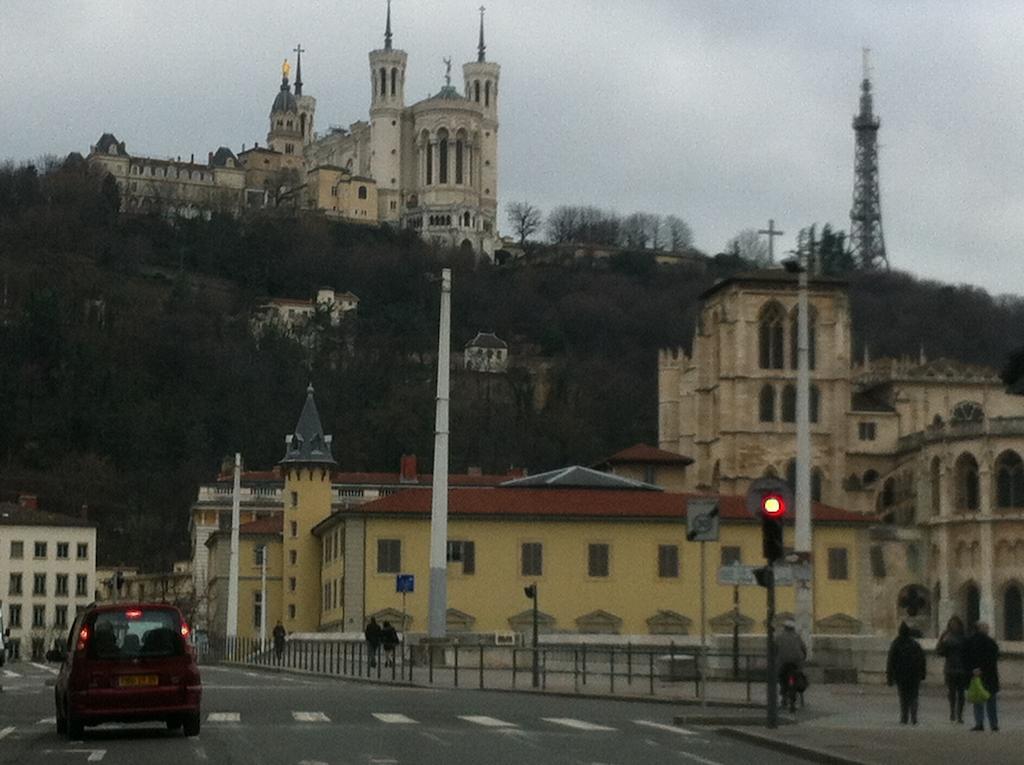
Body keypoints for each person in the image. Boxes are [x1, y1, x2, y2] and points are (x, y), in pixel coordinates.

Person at [886, 622, 927, 725]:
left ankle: (904, 717)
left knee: (903, 697)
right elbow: (922, 660)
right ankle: (914, 717)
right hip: (914, 675)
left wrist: (890, 677)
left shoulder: (896, 644)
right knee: (913, 696)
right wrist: (922, 673)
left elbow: (891, 661)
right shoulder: (915, 644)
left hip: (901, 675)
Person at [963, 621, 1000, 732]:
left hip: (975, 674)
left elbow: (965, 657)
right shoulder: (990, 642)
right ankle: (993, 724)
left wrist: (972, 669)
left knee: (978, 698)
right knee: (990, 700)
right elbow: (994, 657)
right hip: (989, 674)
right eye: (986, 627)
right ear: (979, 628)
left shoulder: (970, 641)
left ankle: (979, 723)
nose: (987, 629)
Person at [936, 615, 968, 723]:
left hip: (961, 668)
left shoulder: (963, 637)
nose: (954, 626)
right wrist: (942, 641)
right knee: (952, 692)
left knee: (960, 693)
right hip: (951, 668)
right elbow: (940, 652)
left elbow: (968, 653)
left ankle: (959, 714)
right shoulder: (947, 637)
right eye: (952, 624)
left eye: (955, 624)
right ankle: (953, 712)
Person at [775, 620, 807, 710]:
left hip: (783, 662)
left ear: (784, 628)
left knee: (782, 679)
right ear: (793, 628)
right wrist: (803, 658)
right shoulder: (797, 637)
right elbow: (804, 649)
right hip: (796, 663)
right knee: (796, 677)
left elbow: (774, 649)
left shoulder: (779, 637)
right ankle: (794, 697)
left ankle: (784, 698)